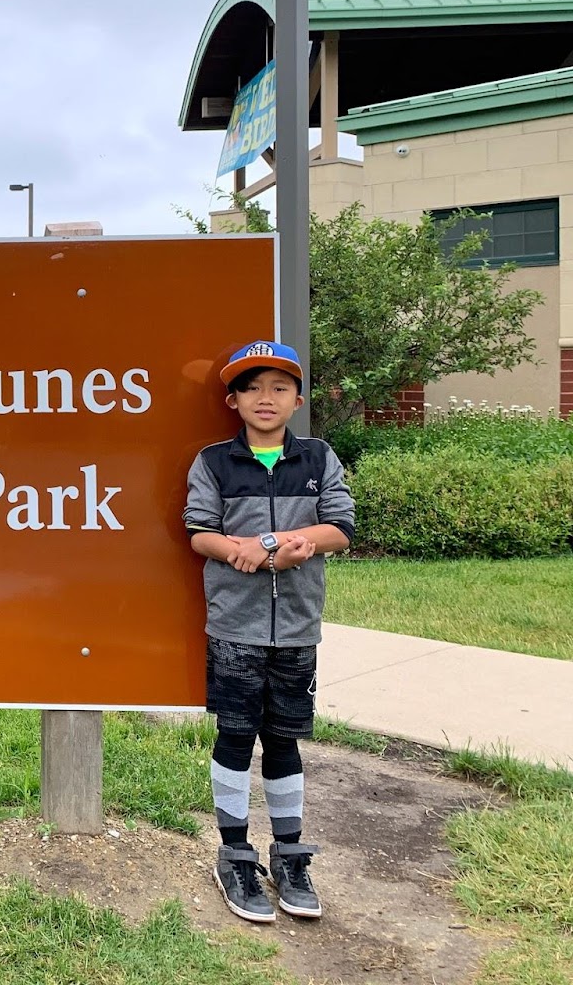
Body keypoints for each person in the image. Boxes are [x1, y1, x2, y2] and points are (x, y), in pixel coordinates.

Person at [183, 340, 354, 925]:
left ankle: (290, 855)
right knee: (235, 735)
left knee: (283, 740)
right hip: (235, 624)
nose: (266, 398)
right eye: (252, 388)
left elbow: (340, 527)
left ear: (297, 400)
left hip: (298, 629)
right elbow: (199, 532)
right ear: (233, 400)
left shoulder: (318, 458)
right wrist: (241, 550)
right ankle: (233, 852)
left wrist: (285, 543)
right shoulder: (213, 462)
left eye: (279, 387)